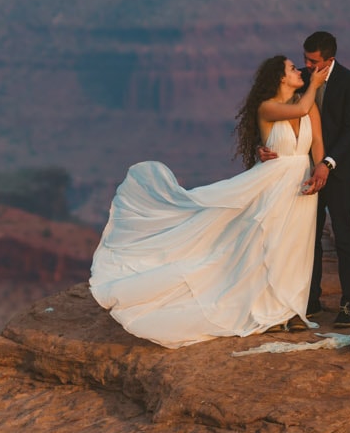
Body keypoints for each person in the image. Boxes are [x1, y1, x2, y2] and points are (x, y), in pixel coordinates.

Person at [87, 55, 328, 348]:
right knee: (272, 242)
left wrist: (320, 166)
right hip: (273, 184)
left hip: (301, 181)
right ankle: (270, 311)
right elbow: (300, 107)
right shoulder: (267, 107)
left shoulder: (309, 104)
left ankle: (291, 309)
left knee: (296, 245)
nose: (299, 71)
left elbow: (316, 139)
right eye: (292, 69)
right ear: (280, 78)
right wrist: (315, 83)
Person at [297, 30, 350, 327]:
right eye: (305, 59)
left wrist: (327, 162)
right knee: (308, 238)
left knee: (343, 237)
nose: (307, 66)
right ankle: (310, 300)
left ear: (330, 59)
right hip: (304, 173)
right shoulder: (298, 79)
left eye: (313, 61)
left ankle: (349, 304)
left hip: (338, 172)